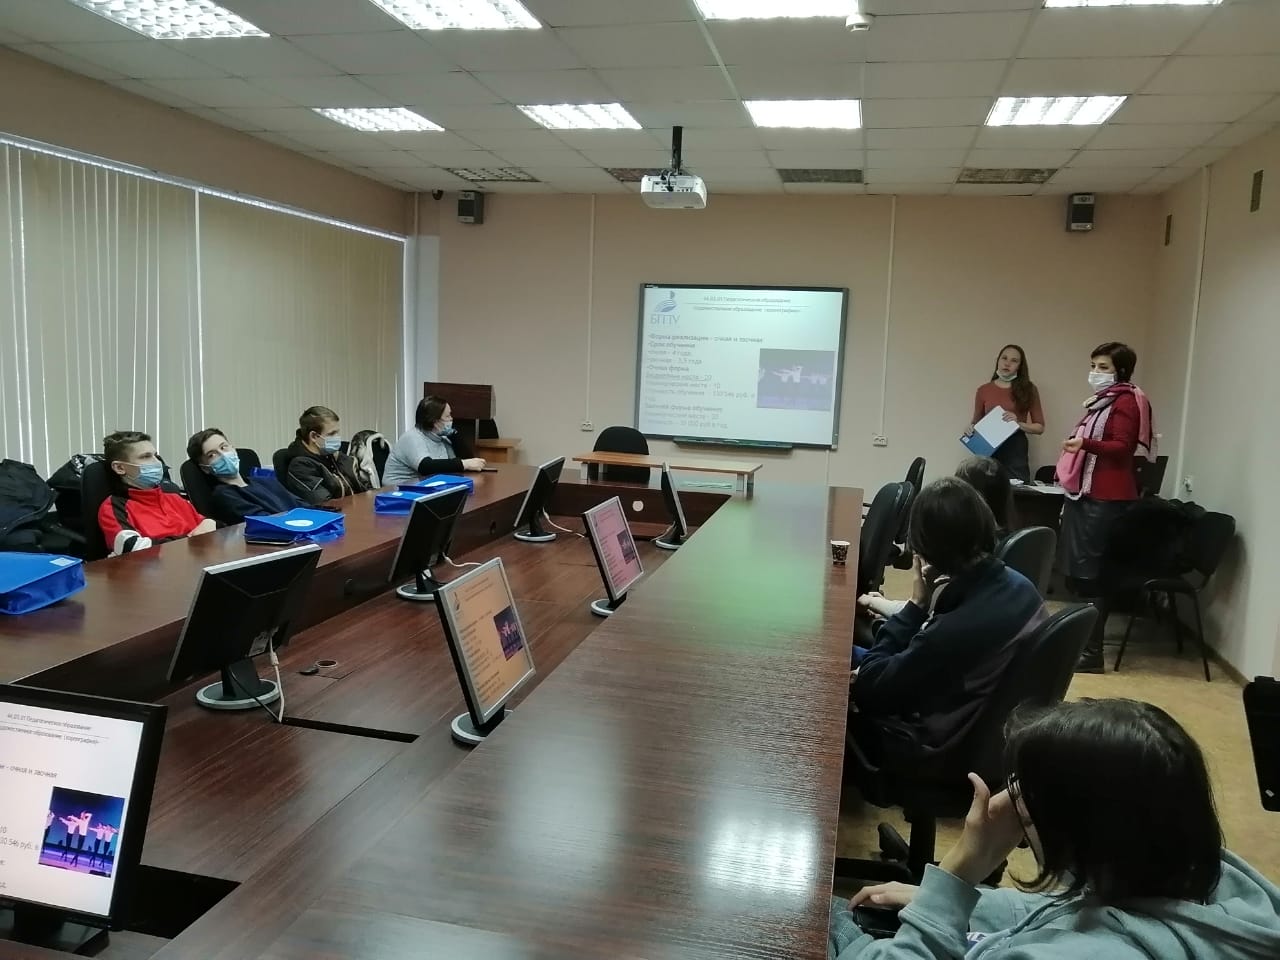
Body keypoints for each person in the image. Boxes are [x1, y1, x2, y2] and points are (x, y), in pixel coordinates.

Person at [829, 698, 1280, 960]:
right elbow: (1071, 907)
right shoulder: (1199, 873)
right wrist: (945, 900)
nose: (1011, 804)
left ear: (1082, 829)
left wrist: (961, 869)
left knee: (807, 908)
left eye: (1025, 795)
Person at [849, 478, 1046, 762]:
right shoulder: (1020, 586)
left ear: (925, 551)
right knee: (840, 652)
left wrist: (916, 606)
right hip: (984, 731)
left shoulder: (953, 630)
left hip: (928, 744)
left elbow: (869, 688)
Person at [1056, 342, 1156, 671]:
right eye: (1093, 366)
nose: (1095, 373)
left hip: (1106, 498)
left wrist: (1085, 443)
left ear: (1121, 371)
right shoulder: (1102, 401)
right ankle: (1081, 644)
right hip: (1087, 495)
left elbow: (1123, 447)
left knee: (1092, 577)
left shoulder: (1126, 400)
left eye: (1103, 367)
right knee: (1079, 575)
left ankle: (1091, 653)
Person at [858, 459, 1015, 621]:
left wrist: (881, 611)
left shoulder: (961, 564)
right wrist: (884, 604)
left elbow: (928, 622)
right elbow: (925, 609)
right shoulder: (996, 556)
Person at [99, 431, 215, 556]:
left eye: (155, 455)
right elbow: (132, 549)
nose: (157, 462)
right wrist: (192, 539)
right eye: (145, 456)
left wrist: (211, 522)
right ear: (120, 468)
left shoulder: (175, 498)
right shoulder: (114, 506)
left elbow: (209, 529)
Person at [186, 428, 308, 525]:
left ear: (233, 449)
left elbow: (304, 506)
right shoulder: (225, 495)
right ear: (205, 468)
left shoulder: (266, 482)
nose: (223, 455)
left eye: (223, 447)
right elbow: (267, 522)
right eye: (212, 455)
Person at [965, 344, 1044, 482]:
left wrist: (1018, 424)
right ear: (998, 360)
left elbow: (1040, 427)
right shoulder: (984, 390)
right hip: (989, 447)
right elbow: (976, 422)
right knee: (988, 488)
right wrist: (970, 429)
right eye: (1004, 358)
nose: (1007, 363)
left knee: (1016, 490)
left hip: (1015, 448)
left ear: (1020, 366)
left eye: (1014, 360)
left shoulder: (1029, 389)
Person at [382, 397, 486, 487]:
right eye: (448, 416)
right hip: (396, 491)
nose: (451, 419)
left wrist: (454, 435)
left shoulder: (442, 438)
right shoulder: (412, 437)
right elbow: (426, 466)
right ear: (435, 421)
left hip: (422, 487)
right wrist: (464, 464)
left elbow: (467, 460)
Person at [281, 406, 372, 505]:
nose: (337, 438)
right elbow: (327, 504)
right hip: (337, 513)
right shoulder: (300, 467)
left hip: (356, 508)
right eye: (332, 434)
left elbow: (361, 489)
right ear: (314, 436)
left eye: (337, 433)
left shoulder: (332, 456)